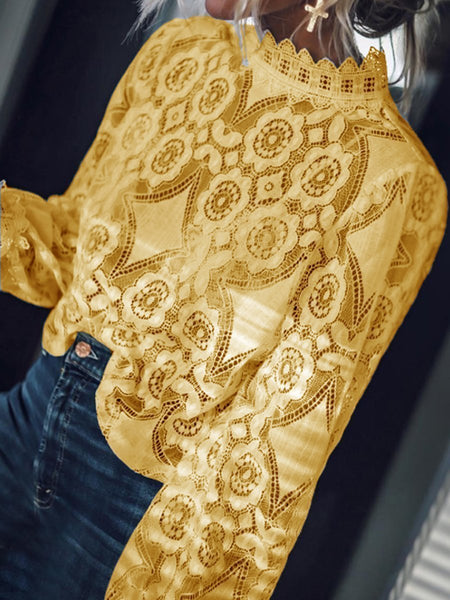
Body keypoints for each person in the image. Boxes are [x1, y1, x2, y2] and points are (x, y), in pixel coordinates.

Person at [0, 0, 447, 598]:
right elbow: (74, 247)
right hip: (24, 416)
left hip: (125, 521)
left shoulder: (391, 178)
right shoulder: (177, 51)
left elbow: (273, 449)